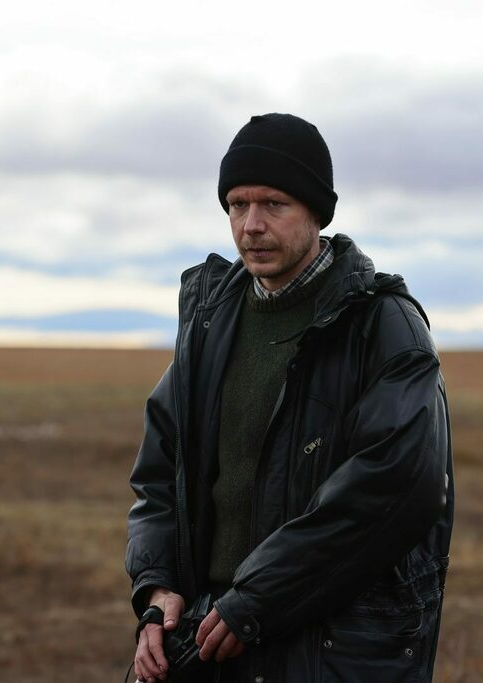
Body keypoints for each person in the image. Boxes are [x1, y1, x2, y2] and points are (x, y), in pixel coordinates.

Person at [127, 113, 454, 682]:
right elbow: (161, 472)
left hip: (329, 650)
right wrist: (158, 590)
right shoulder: (210, 323)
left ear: (316, 212)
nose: (251, 225)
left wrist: (257, 599)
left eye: (273, 204)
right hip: (212, 640)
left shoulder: (382, 328)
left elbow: (396, 487)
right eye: (237, 205)